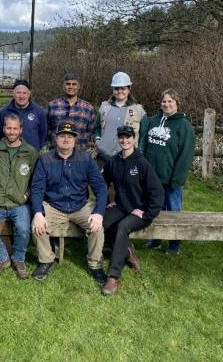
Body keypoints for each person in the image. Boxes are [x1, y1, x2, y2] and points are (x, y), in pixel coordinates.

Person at [31, 121, 108, 283]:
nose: (66, 139)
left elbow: (101, 187)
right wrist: (38, 212)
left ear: (75, 140)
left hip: (80, 206)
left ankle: (95, 265)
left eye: (70, 136)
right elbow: (37, 189)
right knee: (37, 225)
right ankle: (46, 260)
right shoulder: (45, 160)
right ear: (56, 138)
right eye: (62, 136)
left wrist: (99, 213)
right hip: (54, 206)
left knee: (97, 226)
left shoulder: (85, 159)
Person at [101, 125, 164, 296]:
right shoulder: (113, 161)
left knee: (122, 227)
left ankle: (113, 276)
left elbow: (157, 193)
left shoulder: (142, 163)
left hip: (140, 212)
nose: (124, 140)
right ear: (118, 138)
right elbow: (101, 183)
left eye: (128, 137)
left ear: (134, 138)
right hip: (122, 206)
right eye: (121, 137)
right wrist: (108, 201)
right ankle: (126, 252)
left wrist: (146, 212)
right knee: (102, 223)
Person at [0, 113, 38, 280]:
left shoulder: (30, 153)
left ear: (21, 130)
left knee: (24, 229)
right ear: (4, 129)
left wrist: (27, 195)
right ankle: (1, 257)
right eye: (9, 128)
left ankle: (19, 259)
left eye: (15, 128)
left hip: (19, 203)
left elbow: (36, 180)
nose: (11, 132)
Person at [144, 89, 196, 254]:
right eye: (164, 101)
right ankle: (156, 240)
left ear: (177, 104)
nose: (166, 104)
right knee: (155, 209)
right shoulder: (153, 120)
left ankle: (174, 244)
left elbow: (185, 156)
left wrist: (177, 179)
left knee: (173, 211)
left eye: (170, 101)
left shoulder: (184, 126)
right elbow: (145, 146)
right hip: (153, 177)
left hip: (171, 178)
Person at [95, 71, 148, 166]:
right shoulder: (104, 107)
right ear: (112, 89)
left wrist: (139, 153)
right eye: (116, 88)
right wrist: (98, 141)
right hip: (103, 157)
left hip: (127, 159)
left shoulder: (138, 110)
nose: (119, 91)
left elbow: (144, 135)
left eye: (123, 88)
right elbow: (97, 127)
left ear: (129, 89)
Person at [46, 73, 95, 150]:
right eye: (68, 84)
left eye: (74, 84)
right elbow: (47, 130)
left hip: (80, 154)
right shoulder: (53, 105)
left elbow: (91, 132)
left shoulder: (88, 108)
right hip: (56, 153)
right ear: (63, 86)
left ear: (79, 87)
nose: (71, 87)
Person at [0, 79, 47, 151]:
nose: (21, 96)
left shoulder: (39, 111)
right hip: (9, 155)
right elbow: (0, 134)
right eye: (18, 93)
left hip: (32, 156)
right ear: (13, 94)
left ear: (29, 94)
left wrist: (37, 149)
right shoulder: (4, 111)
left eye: (24, 93)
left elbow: (43, 134)